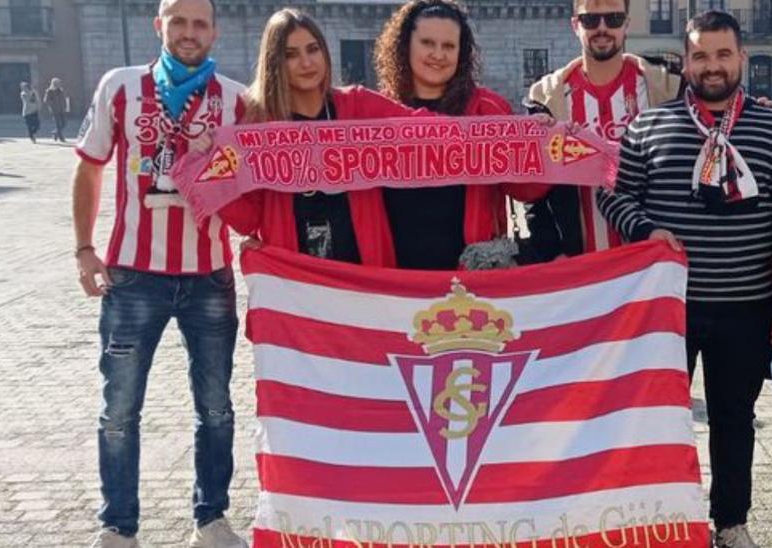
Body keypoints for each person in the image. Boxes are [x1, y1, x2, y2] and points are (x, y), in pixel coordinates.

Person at [598, 11, 772, 548]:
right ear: (685, 61)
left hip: (747, 307)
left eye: (723, 54)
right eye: (701, 55)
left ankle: (730, 523)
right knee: (655, 419)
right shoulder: (647, 127)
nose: (712, 66)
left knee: (733, 421)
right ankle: (656, 516)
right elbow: (613, 195)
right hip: (666, 308)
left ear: (741, 58)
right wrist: (646, 227)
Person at [71, 0, 250, 546]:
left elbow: (254, 187)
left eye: (200, 23)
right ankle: (118, 526)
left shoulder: (237, 100)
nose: (189, 32)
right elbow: (89, 165)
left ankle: (211, 518)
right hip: (132, 276)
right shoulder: (120, 87)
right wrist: (83, 248)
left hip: (209, 274)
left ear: (214, 31)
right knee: (119, 408)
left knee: (216, 406)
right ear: (159, 26)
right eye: (179, 21)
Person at [218, 9, 417, 267]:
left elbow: (421, 127)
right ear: (274, 63)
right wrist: (211, 176)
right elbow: (249, 219)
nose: (307, 62)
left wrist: (482, 131)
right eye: (291, 55)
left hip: (365, 276)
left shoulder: (357, 105)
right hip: (300, 282)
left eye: (313, 49)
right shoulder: (259, 128)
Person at [373, 0, 547, 269]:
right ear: (405, 45)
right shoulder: (376, 114)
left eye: (448, 46)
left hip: (471, 278)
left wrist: (541, 145)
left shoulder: (488, 109)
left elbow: (525, 189)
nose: (438, 55)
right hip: (397, 279)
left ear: (461, 53)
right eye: (428, 43)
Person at [522, 0, 682, 261]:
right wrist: (553, 250)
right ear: (575, 25)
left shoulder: (667, 87)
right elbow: (534, 189)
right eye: (590, 20)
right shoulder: (546, 98)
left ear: (627, 24)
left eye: (614, 19)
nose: (603, 28)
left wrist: (759, 108)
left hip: (650, 262)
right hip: (582, 265)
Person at [45, 78, 71, 142]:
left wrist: (66, 106)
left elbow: (64, 99)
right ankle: (61, 138)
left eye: (59, 83)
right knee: (58, 124)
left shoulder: (61, 90)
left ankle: (55, 133)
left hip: (62, 109)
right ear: (53, 83)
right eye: (57, 83)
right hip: (55, 110)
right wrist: (53, 105)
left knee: (64, 123)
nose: (59, 84)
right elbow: (46, 100)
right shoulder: (50, 91)